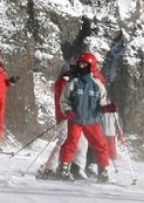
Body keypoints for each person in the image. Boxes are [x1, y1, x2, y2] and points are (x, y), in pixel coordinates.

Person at [57, 52, 116, 182]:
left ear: (91, 66)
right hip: (76, 119)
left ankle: (103, 171)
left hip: (92, 120)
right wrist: (68, 111)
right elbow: (64, 100)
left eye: (85, 64)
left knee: (100, 144)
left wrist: (107, 108)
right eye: (80, 64)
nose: (82, 66)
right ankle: (64, 168)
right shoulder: (73, 83)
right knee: (71, 143)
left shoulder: (97, 84)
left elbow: (102, 102)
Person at [37, 59, 89, 180]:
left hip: (77, 117)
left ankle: (77, 168)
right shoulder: (65, 80)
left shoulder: (79, 80)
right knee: (64, 140)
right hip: (66, 116)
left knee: (82, 142)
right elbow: (64, 98)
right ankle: (48, 168)